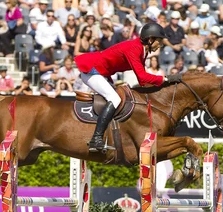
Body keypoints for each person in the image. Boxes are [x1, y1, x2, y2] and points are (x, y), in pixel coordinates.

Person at [74, 22, 181, 153]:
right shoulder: (134, 48)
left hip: (103, 73)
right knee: (114, 99)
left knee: (120, 96)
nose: (161, 44)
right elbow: (142, 78)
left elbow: (143, 82)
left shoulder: (143, 51)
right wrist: (165, 79)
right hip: (91, 70)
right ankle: (96, 139)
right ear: (150, 39)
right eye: (159, 41)